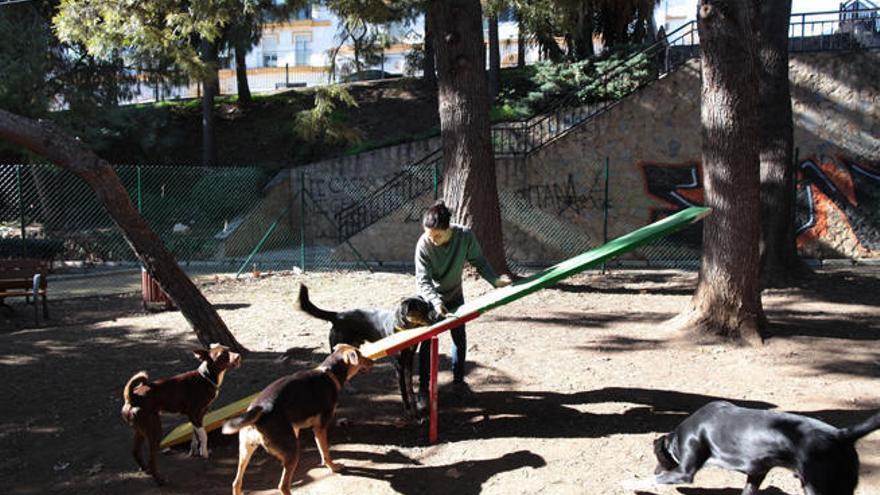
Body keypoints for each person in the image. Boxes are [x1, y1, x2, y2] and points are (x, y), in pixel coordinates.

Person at [414, 200, 511, 402]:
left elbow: (479, 260)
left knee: (459, 337)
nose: (432, 239)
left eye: (437, 235)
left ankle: (458, 382)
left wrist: (494, 280)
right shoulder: (424, 244)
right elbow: (422, 281)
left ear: (448, 228)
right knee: (427, 342)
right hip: (430, 300)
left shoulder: (464, 236)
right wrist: (434, 301)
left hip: (455, 295)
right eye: (429, 235)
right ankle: (424, 390)